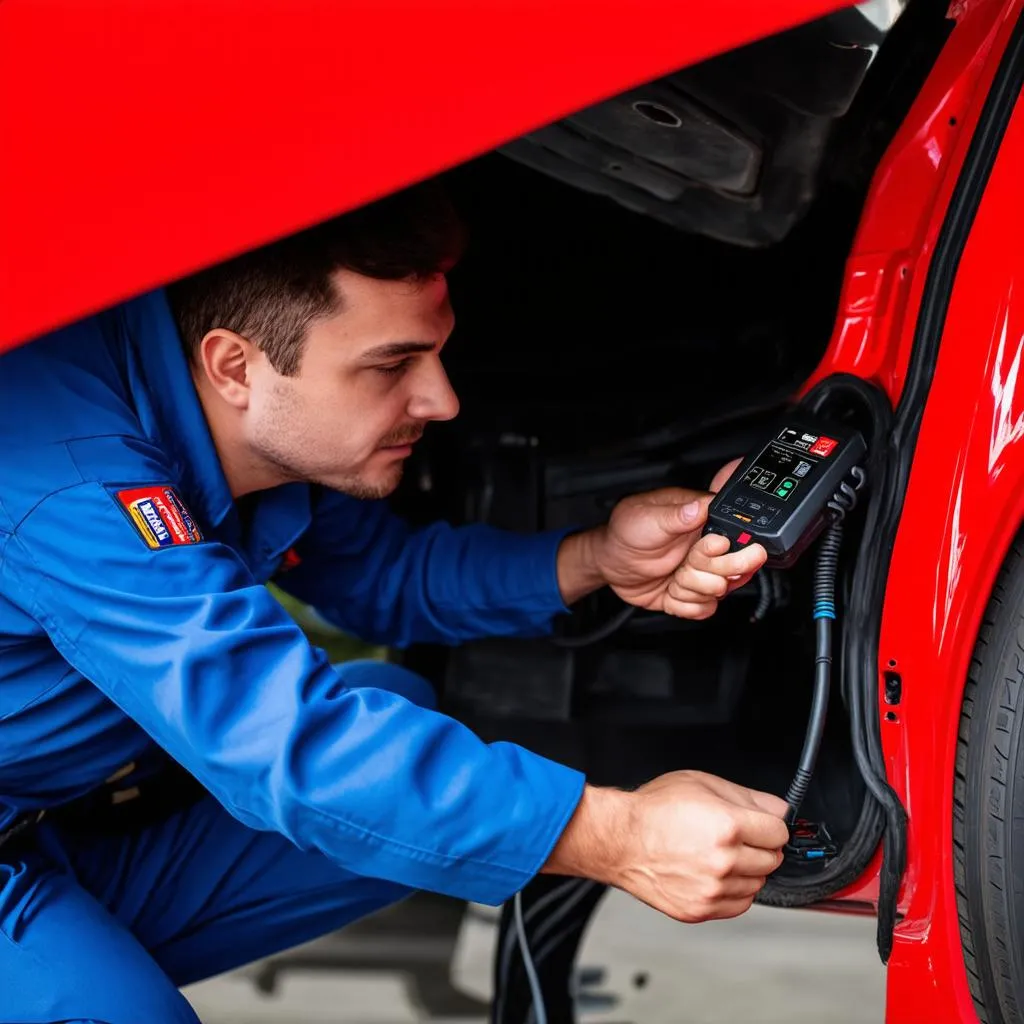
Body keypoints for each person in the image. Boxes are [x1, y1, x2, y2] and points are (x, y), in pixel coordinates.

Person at [0, 181, 787, 1022]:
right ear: (236, 365)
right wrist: (615, 836)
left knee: (396, 718)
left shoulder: (215, 404)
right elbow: (288, 746)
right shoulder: (78, 484)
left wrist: (596, 558)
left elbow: (383, 577)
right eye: (392, 365)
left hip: (44, 820)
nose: (442, 401)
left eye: (436, 354)